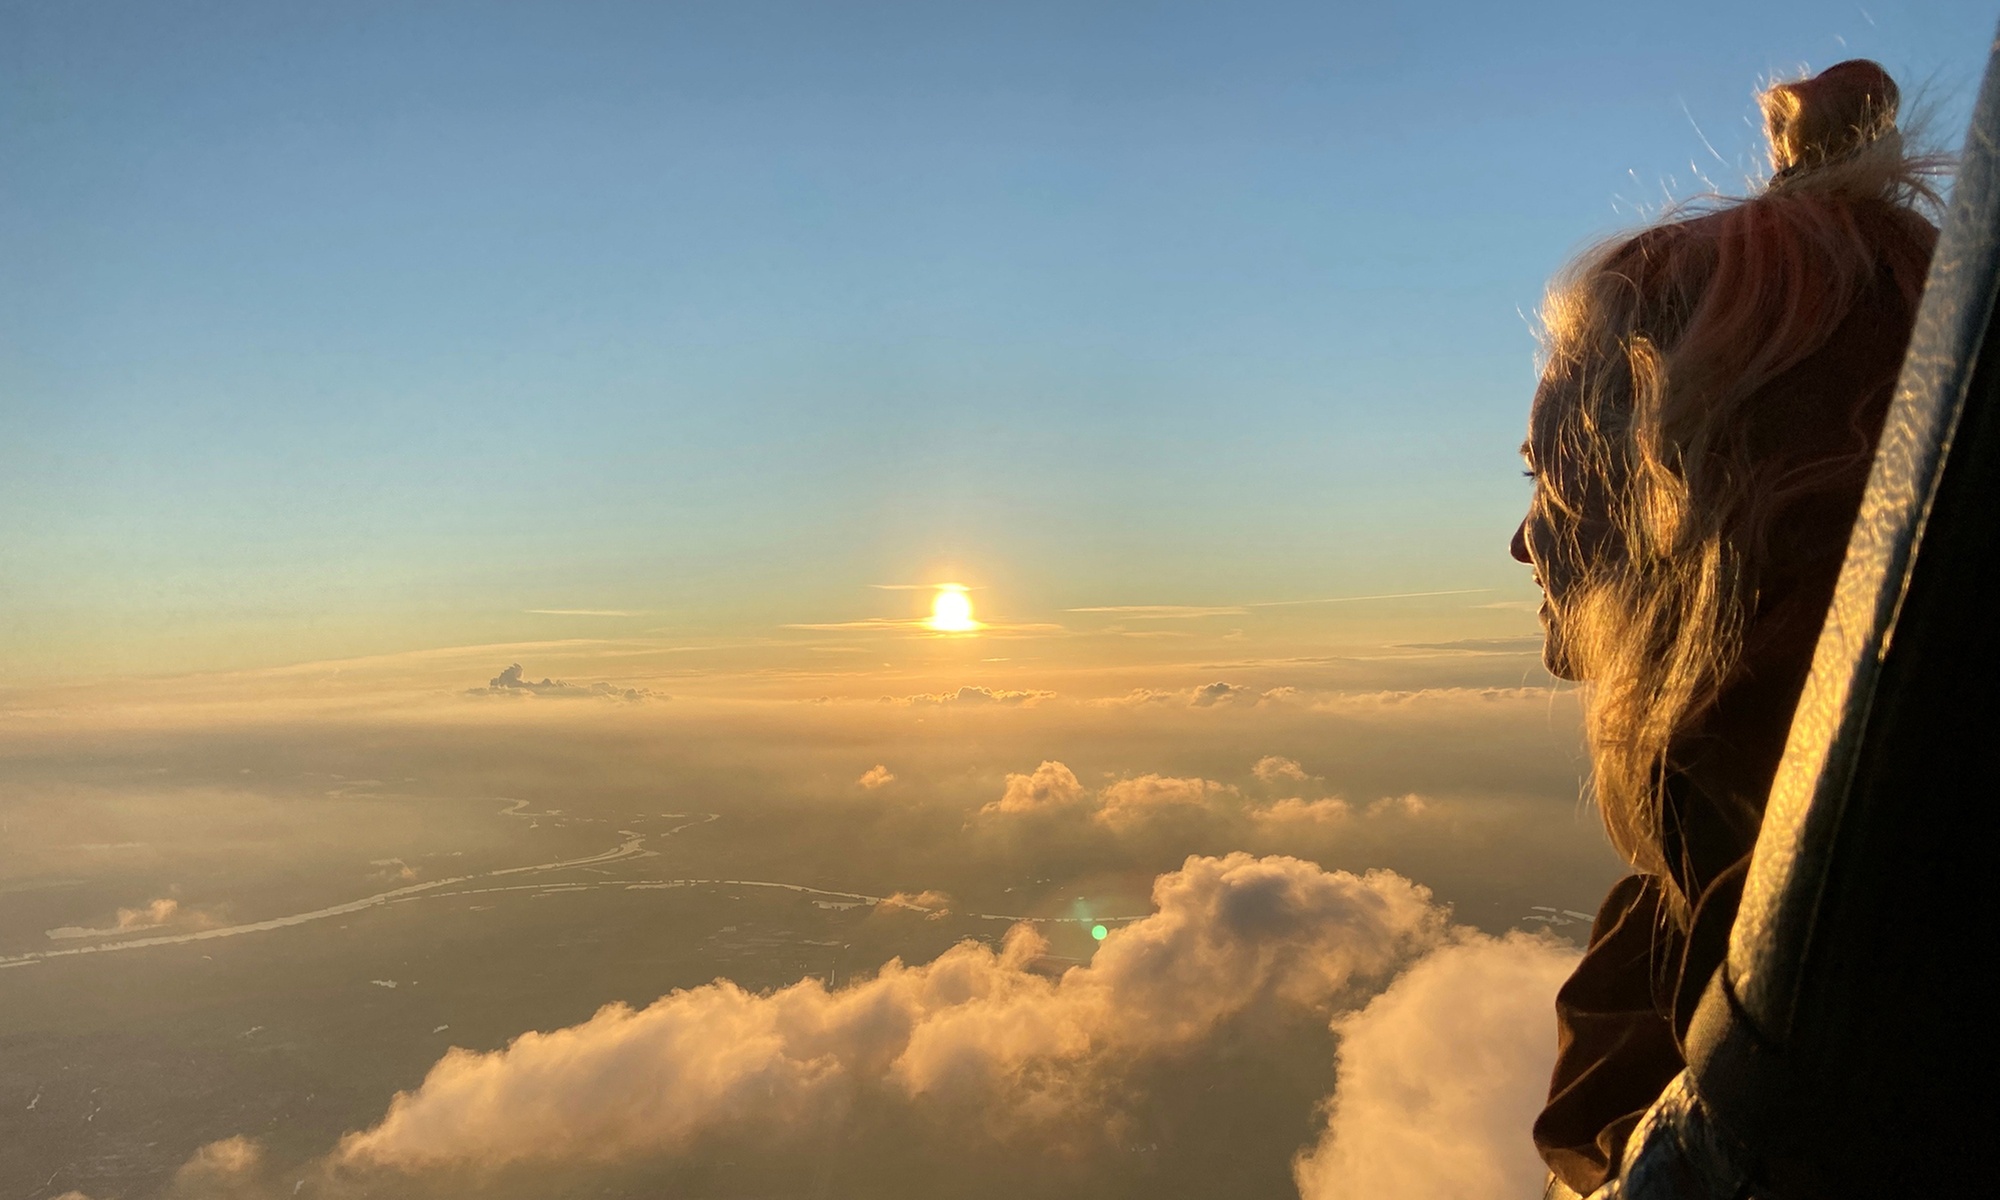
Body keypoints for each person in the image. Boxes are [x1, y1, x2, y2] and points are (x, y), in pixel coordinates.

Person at [1507, 60, 1943, 1197]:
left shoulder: (1834, 1002)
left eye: (1552, 483)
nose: (1523, 543)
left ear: (1686, 511)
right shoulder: (1789, 857)